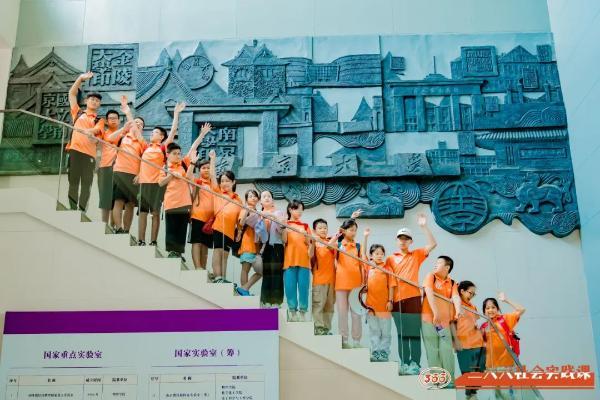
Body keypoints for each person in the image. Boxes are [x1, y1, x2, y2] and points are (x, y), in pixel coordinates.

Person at [385, 213, 437, 375]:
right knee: (402, 334)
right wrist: (389, 300)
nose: (403, 241)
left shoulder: (416, 254)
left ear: (411, 241)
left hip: (413, 298)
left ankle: (415, 363)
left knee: (413, 333)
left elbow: (433, 244)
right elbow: (387, 280)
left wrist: (423, 226)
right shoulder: (390, 259)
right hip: (396, 300)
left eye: (406, 239)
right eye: (400, 238)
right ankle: (404, 363)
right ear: (397, 240)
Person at [135, 102, 188, 246]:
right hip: (144, 184)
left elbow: (173, 131)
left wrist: (176, 113)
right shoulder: (146, 146)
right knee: (143, 212)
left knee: (155, 213)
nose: (152, 134)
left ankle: (153, 241)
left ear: (161, 137)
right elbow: (136, 132)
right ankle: (141, 240)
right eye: (152, 132)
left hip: (157, 184)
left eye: (155, 133)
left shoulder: (163, 148)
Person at [67, 71, 104, 212]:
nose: (94, 101)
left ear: (99, 104)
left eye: (97, 100)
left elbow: (97, 129)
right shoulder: (78, 113)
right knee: (73, 182)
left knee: (86, 184)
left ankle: (82, 211)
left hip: (89, 155)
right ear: (86, 101)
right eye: (92, 99)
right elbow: (72, 94)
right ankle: (72, 209)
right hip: (75, 151)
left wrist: (89, 131)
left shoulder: (99, 120)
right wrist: (80, 79)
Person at [421, 255, 461, 386]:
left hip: (445, 323)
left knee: (446, 351)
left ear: (447, 267)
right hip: (429, 319)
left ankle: (449, 381)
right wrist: (435, 312)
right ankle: (438, 381)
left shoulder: (452, 283)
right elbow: (428, 291)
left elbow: (456, 297)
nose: (435, 264)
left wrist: (458, 310)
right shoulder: (431, 276)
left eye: (439, 263)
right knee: (432, 350)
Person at [110, 96, 146, 234]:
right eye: (136, 122)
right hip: (119, 172)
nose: (138, 125)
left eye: (140, 124)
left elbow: (145, 162)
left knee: (130, 204)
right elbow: (110, 139)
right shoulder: (123, 137)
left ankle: (126, 230)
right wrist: (123, 128)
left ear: (142, 129)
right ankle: (118, 228)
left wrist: (140, 174)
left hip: (133, 175)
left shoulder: (142, 142)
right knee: (118, 201)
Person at [481, 293, 526, 400]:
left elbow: (522, 309)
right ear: (484, 311)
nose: (490, 310)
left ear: (497, 309)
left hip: (507, 364)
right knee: (497, 395)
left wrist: (506, 300)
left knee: (511, 394)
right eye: (487, 308)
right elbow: (483, 346)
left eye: (493, 307)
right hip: (492, 366)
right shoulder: (484, 326)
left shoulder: (505, 319)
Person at [208, 150, 242, 283]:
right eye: (222, 181)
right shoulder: (218, 192)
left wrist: (239, 231)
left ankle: (222, 277)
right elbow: (212, 175)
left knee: (225, 255)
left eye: (227, 181)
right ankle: (217, 276)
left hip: (230, 232)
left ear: (233, 182)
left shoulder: (238, 200)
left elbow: (240, 218)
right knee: (218, 251)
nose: (224, 183)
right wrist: (213, 159)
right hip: (218, 227)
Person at [335, 213, 368, 349]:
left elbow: (364, 263)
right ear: (344, 231)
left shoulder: (358, 246)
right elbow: (330, 244)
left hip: (356, 285)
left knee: (356, 314)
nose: (353, 232)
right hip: (341, 284)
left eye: (355, 230)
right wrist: (351, 218)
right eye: (351, 230)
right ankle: (343, 340)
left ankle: (356, 341)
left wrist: (365, 282)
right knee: (342, 314)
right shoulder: (338, 244)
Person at [187, 123, 215, 269]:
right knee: (196, 242)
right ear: (200, 170)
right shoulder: (197, 181)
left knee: (205, 245)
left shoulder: (214, 184)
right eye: (203, 168)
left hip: (210, 220)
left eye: (208, 168)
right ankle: (197, 267)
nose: (206, 170)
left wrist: (213, 160)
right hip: (197, 216)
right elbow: (187, 176)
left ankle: (203, 269)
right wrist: (193, 161)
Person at [451, 280, 485, 400]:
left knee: (480, 369)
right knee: (466, 372)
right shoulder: (455, 305)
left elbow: (475, 321)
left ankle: (471, 393)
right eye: (470, 293)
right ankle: (471, 395)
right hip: (463, 344)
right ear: (462, 291)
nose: (472, 296)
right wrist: (455, 342)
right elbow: (452, 324)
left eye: (473, 294)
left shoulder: (473, 306)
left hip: (477, 343)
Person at [158, 143, 193, 258]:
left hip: (184, 202)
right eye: (174, 153)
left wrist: (202, 134)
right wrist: (171, 175)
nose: (177, 156)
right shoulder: (165, 167)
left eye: (179, 153)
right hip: (171, 202)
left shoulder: (183, 165)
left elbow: (193, 148)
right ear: (168, 154)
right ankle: (171, 251)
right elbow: (160, 182)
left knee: (182, 229)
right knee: (171, 228)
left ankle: (178, 252)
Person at [282, 200, 312, 322]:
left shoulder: (305, 226)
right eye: (297, 209)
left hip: (304, 261)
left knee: (304, 288)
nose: (300, 212)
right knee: (290, 287)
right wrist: (284, 227)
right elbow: (284, 240)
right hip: (289, 260)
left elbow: (309, 243)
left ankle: (303, 312)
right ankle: (293, 312)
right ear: (290, 209)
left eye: (301, 209)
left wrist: (306, 235)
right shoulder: (285, 224)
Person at [365, 244, 396, 362]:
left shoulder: (387, 268)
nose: (379, 256)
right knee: (374, 331)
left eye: (381, 254)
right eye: (376, 253)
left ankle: (384, 353)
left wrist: (390, 301)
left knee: (386, 332)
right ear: (371, 255)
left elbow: (392, 286)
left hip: (384, 306)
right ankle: (375, 352)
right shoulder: (368, 267)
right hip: (371, 306)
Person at [259, 190, 287, 308]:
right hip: (265, 247)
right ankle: (265, 301)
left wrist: (272, 216)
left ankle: (276, 301)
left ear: (272, 200)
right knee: (267, 274)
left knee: (276, 274)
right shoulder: (259, 214)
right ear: (260, 201)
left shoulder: (279, 212)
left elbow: (282, 228)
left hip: (277, 246)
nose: (267, 198)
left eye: (269, 196)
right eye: (264, 196)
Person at [311, 218, 337, 335]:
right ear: (314, 230)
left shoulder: (331, 242)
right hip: (319, 279)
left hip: (332, 280)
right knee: (319, 304)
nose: (323, 230)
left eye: (325, 228)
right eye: (320, 228)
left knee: (330, 306)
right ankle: (319, 328)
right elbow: (310, 255)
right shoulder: (314, 242)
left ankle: (326, 329)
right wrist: (313, 241)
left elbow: (330, 247)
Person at [235, 189, 262, 296]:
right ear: (246, 200)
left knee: (260, 271)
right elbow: (241, 224)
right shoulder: (244, 209)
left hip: (257, 246)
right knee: (245, 269)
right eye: (250, 196)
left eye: (255, 196)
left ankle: (244, 289)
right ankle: (244, 292)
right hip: (247, 243)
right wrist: (246, 210)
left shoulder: (260, 212)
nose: (253, 198)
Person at [97, 109, 120, 224]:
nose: (113, 120)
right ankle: (104, 225)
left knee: (116, 199)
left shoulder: (123, 134)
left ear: (119, 120)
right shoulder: (103, 133)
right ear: (107, 121)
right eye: (110, 118)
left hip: (119, 169)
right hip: (105, 167)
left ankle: (113, 226)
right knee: (105, 198)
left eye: (115, 118)